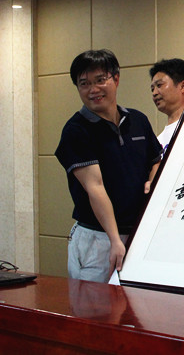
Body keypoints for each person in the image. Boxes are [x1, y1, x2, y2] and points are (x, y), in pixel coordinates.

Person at [56, 49, 162, 282]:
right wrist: (115, 239)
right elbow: (95, 187)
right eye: (84, 83)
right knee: (93, 304)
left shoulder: (138, 120)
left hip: (138, 235)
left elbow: (156, 161)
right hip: (98, 239)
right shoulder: (76, 130)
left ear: (116, 78)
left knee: (135, 304)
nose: (93, 89)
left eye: (100, 80)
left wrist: (152, 181)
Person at [149, 58, 184, 151]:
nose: (154, 93)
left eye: (159, 85)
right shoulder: (158, 143)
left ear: (182, 86)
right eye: (152, 89)